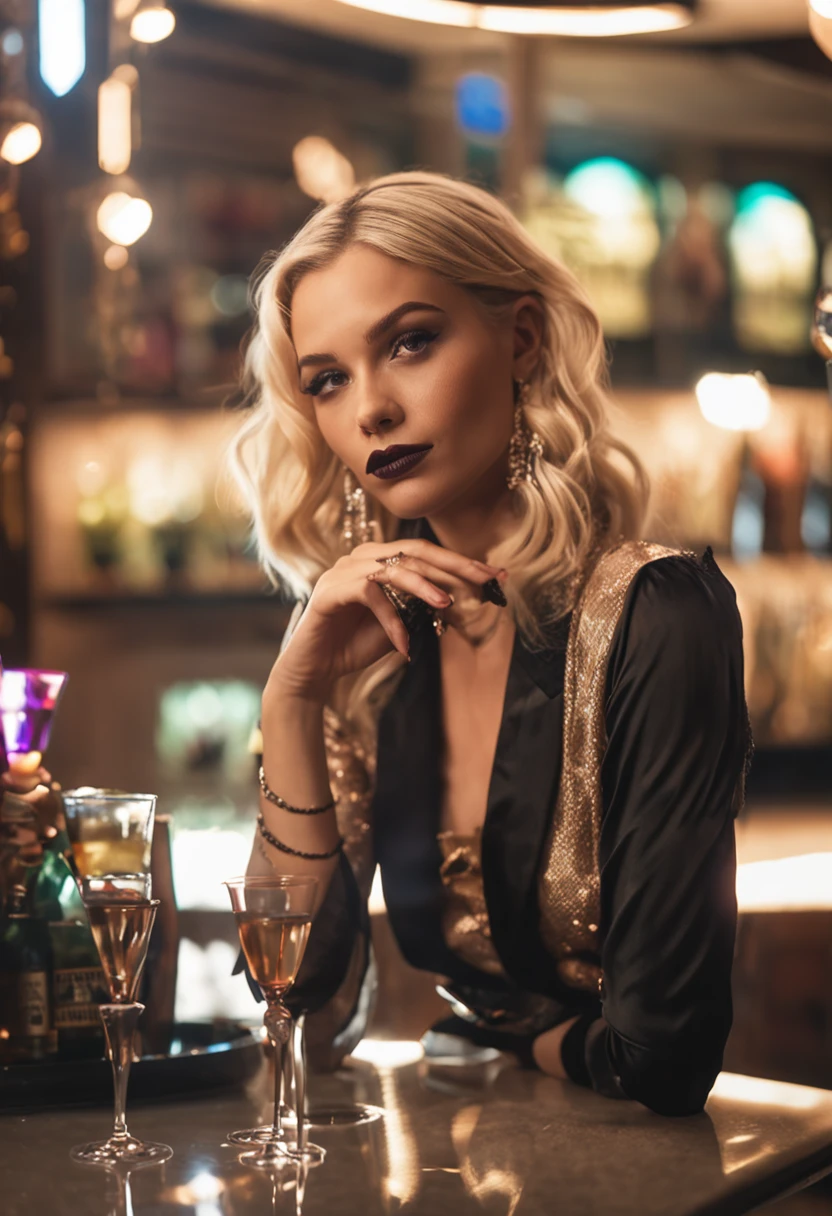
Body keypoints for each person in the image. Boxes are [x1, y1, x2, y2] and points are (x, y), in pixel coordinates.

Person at [229, 171, 751, 1118]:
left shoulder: (655, 615)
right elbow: (299, 1016)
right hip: (475, 1158)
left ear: (521, 339)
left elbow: (664, 1052)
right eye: (329, 380)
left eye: (411, 343)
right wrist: (291, 703)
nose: (371, 409)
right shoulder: (369, 638)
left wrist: (507, 1030)